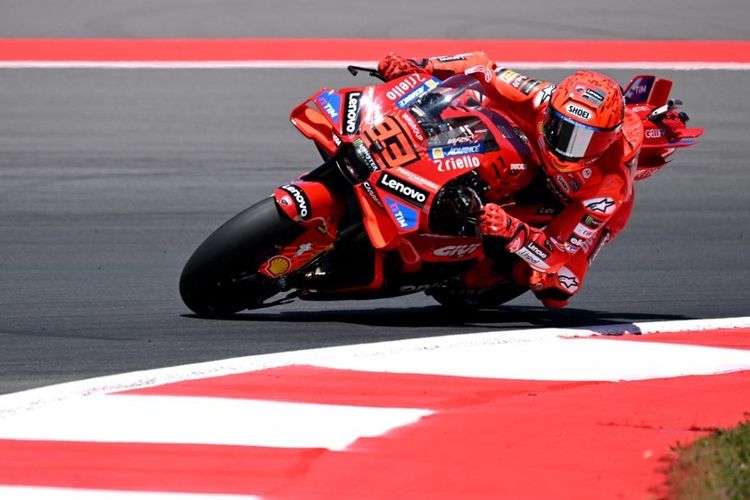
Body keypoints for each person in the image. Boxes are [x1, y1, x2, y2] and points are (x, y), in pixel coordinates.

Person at [378, 51, 644, 308]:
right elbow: (481, 67)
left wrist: (513, 231)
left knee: (557, 286)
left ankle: (493, 270)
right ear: (551, 111)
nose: (568, 147)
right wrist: (421, 64)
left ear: (610, 140)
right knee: (470, 97)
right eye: (562, 128)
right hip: (526, 153)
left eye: (588, 140)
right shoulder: (541, 95)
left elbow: (557, 254)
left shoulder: (609, 187)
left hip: (570, 206)